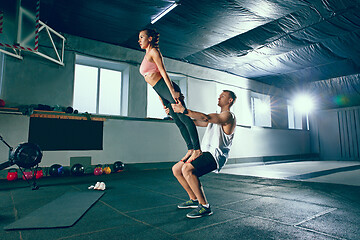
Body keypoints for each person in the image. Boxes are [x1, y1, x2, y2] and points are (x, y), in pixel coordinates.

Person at [138, 28, 202, 162]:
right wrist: (162, 100)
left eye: (142, 37)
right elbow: (153, 83)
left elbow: (163, 72)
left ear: (150, 38)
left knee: (184, 118)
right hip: (161, 91)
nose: (139, 40)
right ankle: (190, 149)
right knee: (178, 122)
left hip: (167, 88)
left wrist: (172, 91)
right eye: (139, 38)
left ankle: (197, 150)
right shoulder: (147, 54)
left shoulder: (154, 52)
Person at [170, 90, 237, 218]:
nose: (219, 97)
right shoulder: (217, 117)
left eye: (222, 96)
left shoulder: (229, 116)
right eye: (219, 95)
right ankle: (194, 199)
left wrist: (184, 110)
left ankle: (205, 206)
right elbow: (195, 122)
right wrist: (176, 114)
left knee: (187, 169)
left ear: (230, 101)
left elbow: (205, 117)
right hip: (206, 152)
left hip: (216, 155)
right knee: (177, 169)